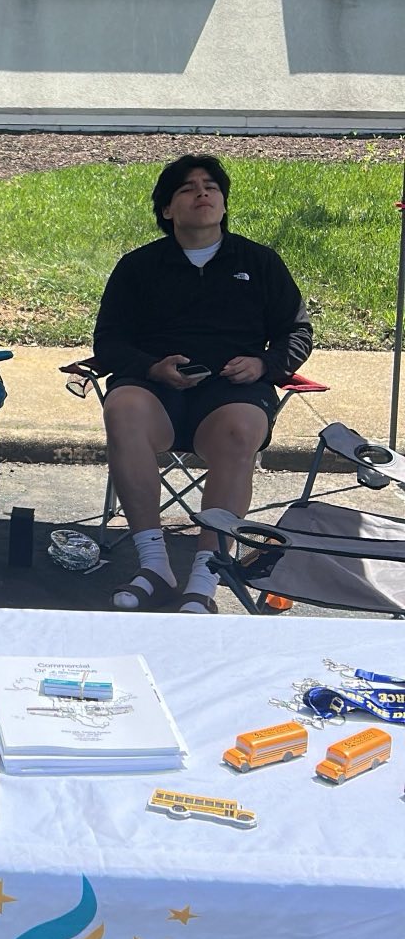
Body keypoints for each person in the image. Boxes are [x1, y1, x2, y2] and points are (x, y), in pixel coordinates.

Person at [93, 152, 313, 613]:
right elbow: (109, 341)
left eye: (211, 187)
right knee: (122, 408)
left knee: (241, 430)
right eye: (188, 188)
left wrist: (263, 365)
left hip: (233, 389)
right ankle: (154, 566)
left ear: (224, 203)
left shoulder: (259, 262)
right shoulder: (138, 266)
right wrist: (152, 367)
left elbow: (297, 332)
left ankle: (205, 576)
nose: (202, 193)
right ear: (167, 208)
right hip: (155, 386)